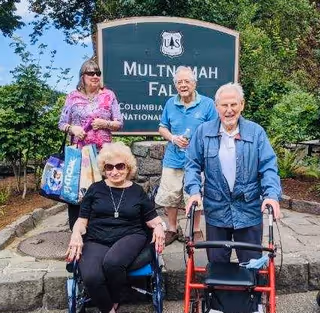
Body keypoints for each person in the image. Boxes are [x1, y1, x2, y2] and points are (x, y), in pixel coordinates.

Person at [185, 82, 281, 265]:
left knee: (251, 264)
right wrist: (194, 192)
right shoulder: (203, 132)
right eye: (224, 105)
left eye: (233, 104)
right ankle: (218, 295)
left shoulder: (256, 132)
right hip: (216, 209)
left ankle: (251, 294)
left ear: (242, 105)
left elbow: (268, 166)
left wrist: (271, 195)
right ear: (216, 107)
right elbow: (192, 165)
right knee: (217, 264)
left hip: (248, 210)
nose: (229, 110)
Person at [66, 142, 166, 313]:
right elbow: (82, 221)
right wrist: (75, 234)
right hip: (97, 238)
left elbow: (153, 219)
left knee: (112, 263)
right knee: (91, 276)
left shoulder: (137, 191)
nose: (114, 171)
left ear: (128, 168)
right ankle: (109, 309)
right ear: (104, 169)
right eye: (109, 167)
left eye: (120, 166)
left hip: (130, 235)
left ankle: (115, 298)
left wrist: (159, 227)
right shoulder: (95, 189)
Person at [155, 66, 217, 246]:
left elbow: (214, 130)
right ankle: (172, 229)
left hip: (197, 161)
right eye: (179, 82)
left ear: (194, 83)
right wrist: (173, 138)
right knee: (170, 195)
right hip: (173, 159)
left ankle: (196, 230)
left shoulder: (207, 104)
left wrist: (198, 142)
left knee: (194, 195)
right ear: (175, 85)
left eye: (187, 81)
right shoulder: (170, 103)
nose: (183, 85)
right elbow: (162, 127)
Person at [58, 59, 123, 230]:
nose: (95, 76)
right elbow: (61, 123)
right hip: (79, 153)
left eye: (98, 73)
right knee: (77, 192)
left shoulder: (109, 95)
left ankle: (102, 228)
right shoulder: (73, 96)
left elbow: (119, 123)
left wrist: (105, 123)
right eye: (90, 73)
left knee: (104, 189)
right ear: (82, 77)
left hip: (104, 153)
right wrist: (73, 128)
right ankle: (77, 230)